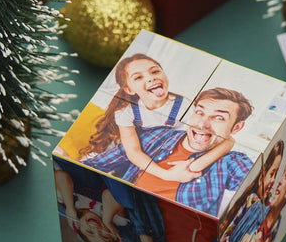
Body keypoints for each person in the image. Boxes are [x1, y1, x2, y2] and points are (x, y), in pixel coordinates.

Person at [84, 87, 254, 217]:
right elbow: (93, 165)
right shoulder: (156, 136)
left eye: (219, 118)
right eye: (199, 112)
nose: (202, 124)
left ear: (236, 127)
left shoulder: (231, 162)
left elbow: (258, 189)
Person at [80, 54, 234, 183]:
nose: (151, 78)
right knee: (99, 164)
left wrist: (193, 166)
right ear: (129, 89)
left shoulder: (184, 106)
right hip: (134, 153)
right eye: (139, 77)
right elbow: (132, 151)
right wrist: (166, 175)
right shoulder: (126, 111)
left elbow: (223, 139)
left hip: (157, 155)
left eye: (155, 72)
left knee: (131, 180)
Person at [54, 159, 123, 242]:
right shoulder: (113, 216)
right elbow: (111, 195)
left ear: (79, 227)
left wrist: (69, 206)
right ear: (113, 233)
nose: (95, 228)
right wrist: (107, 220)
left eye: (89, 231)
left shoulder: (71, 204)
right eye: (105, 236)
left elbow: (60, 176)